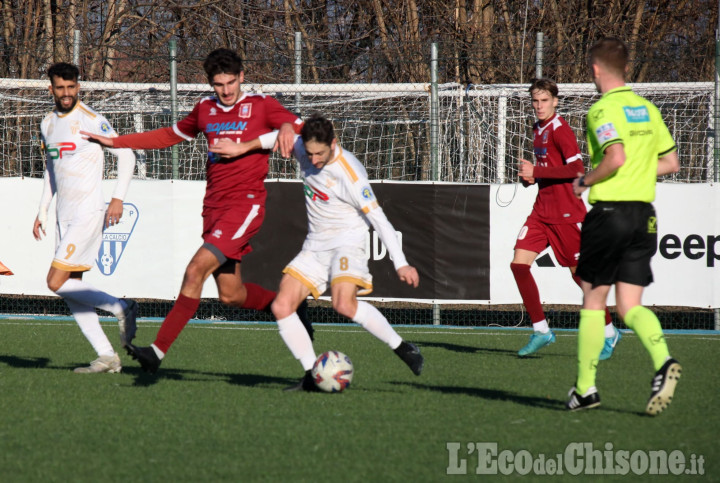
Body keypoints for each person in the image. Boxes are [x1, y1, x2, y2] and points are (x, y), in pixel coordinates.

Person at [82, 48, 313, 373]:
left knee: (194, 270)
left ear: (241, 77)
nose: (226, 90)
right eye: (219, 84)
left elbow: (303, 126)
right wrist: (117, 142)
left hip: (244, 205)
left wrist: (288, 126)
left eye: (231, 82)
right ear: (210, 84)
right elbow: (167, 136)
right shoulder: (205, 109)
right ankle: (284, 304)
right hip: (214, 209)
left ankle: (156, 353)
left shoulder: (261, 106)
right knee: (231, 295)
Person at [227, 115, 424, 391]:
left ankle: (402, 347)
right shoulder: (303, 148)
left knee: (343, 304)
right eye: (309, 153)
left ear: (333, 143)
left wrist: (401, 264)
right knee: (281, 306)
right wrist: (242, 147)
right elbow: (277, 138)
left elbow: (379, 219)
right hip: (315, 246)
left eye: (320, 153)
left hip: (347, 244)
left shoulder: (350, 174)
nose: (314, 160)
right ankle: (311, 375)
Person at [567, 38, 681, 414]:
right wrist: (633, 170)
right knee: (629, 305)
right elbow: (671, 163)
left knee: (593, 297)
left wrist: (585, 181)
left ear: (596, 69)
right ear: (626, 69)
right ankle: (663, 362)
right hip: (644, 216)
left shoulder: (602, 110)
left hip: (611, 214)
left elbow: (614, 157)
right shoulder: (648, 109)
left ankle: (585, 388)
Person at [33, 62, 138, 373]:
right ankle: (107, 357)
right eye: (60, 88)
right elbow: (51, 170)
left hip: (87, 212)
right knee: (73, 290)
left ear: (79, 87)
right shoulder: (47, 124)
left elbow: (126, 153)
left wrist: (117, 199)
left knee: (55, 282)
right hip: (63, 217)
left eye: (71, 87)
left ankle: (122, 307)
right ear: (51, 88)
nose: (66, 93)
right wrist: (42, 210)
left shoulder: (90, 120)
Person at [514, 78, 618, 358]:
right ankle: (541, 331)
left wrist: (537, 172)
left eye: (544, 101)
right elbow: (547, 170)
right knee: (518, 266)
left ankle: (610, 332)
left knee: (581, 278)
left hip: (566, 214)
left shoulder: (560, 130)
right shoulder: (538, 128)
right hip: (541, 212)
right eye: (535, 101)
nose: (539, 106)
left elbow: (576, 169)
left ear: (555, 101)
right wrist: (529, 179)